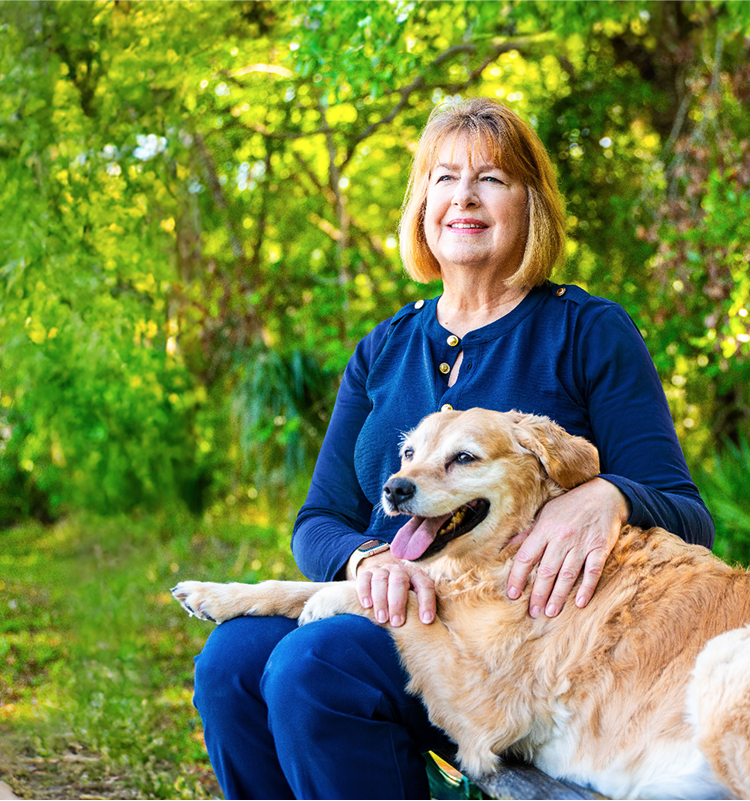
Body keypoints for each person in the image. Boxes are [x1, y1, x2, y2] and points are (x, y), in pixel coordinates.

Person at [192, 97, 714, 800]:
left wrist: (607, 493)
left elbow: (686, 511)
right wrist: (365, 559)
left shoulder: (586, 329)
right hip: (382, 606)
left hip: (509, 647)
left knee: (315, 666)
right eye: (444, 178)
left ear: (532, 204)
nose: (464, 197)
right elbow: (318, 519)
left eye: (492, 179)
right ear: (421, 204)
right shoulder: (383, 348)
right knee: (228, 662)